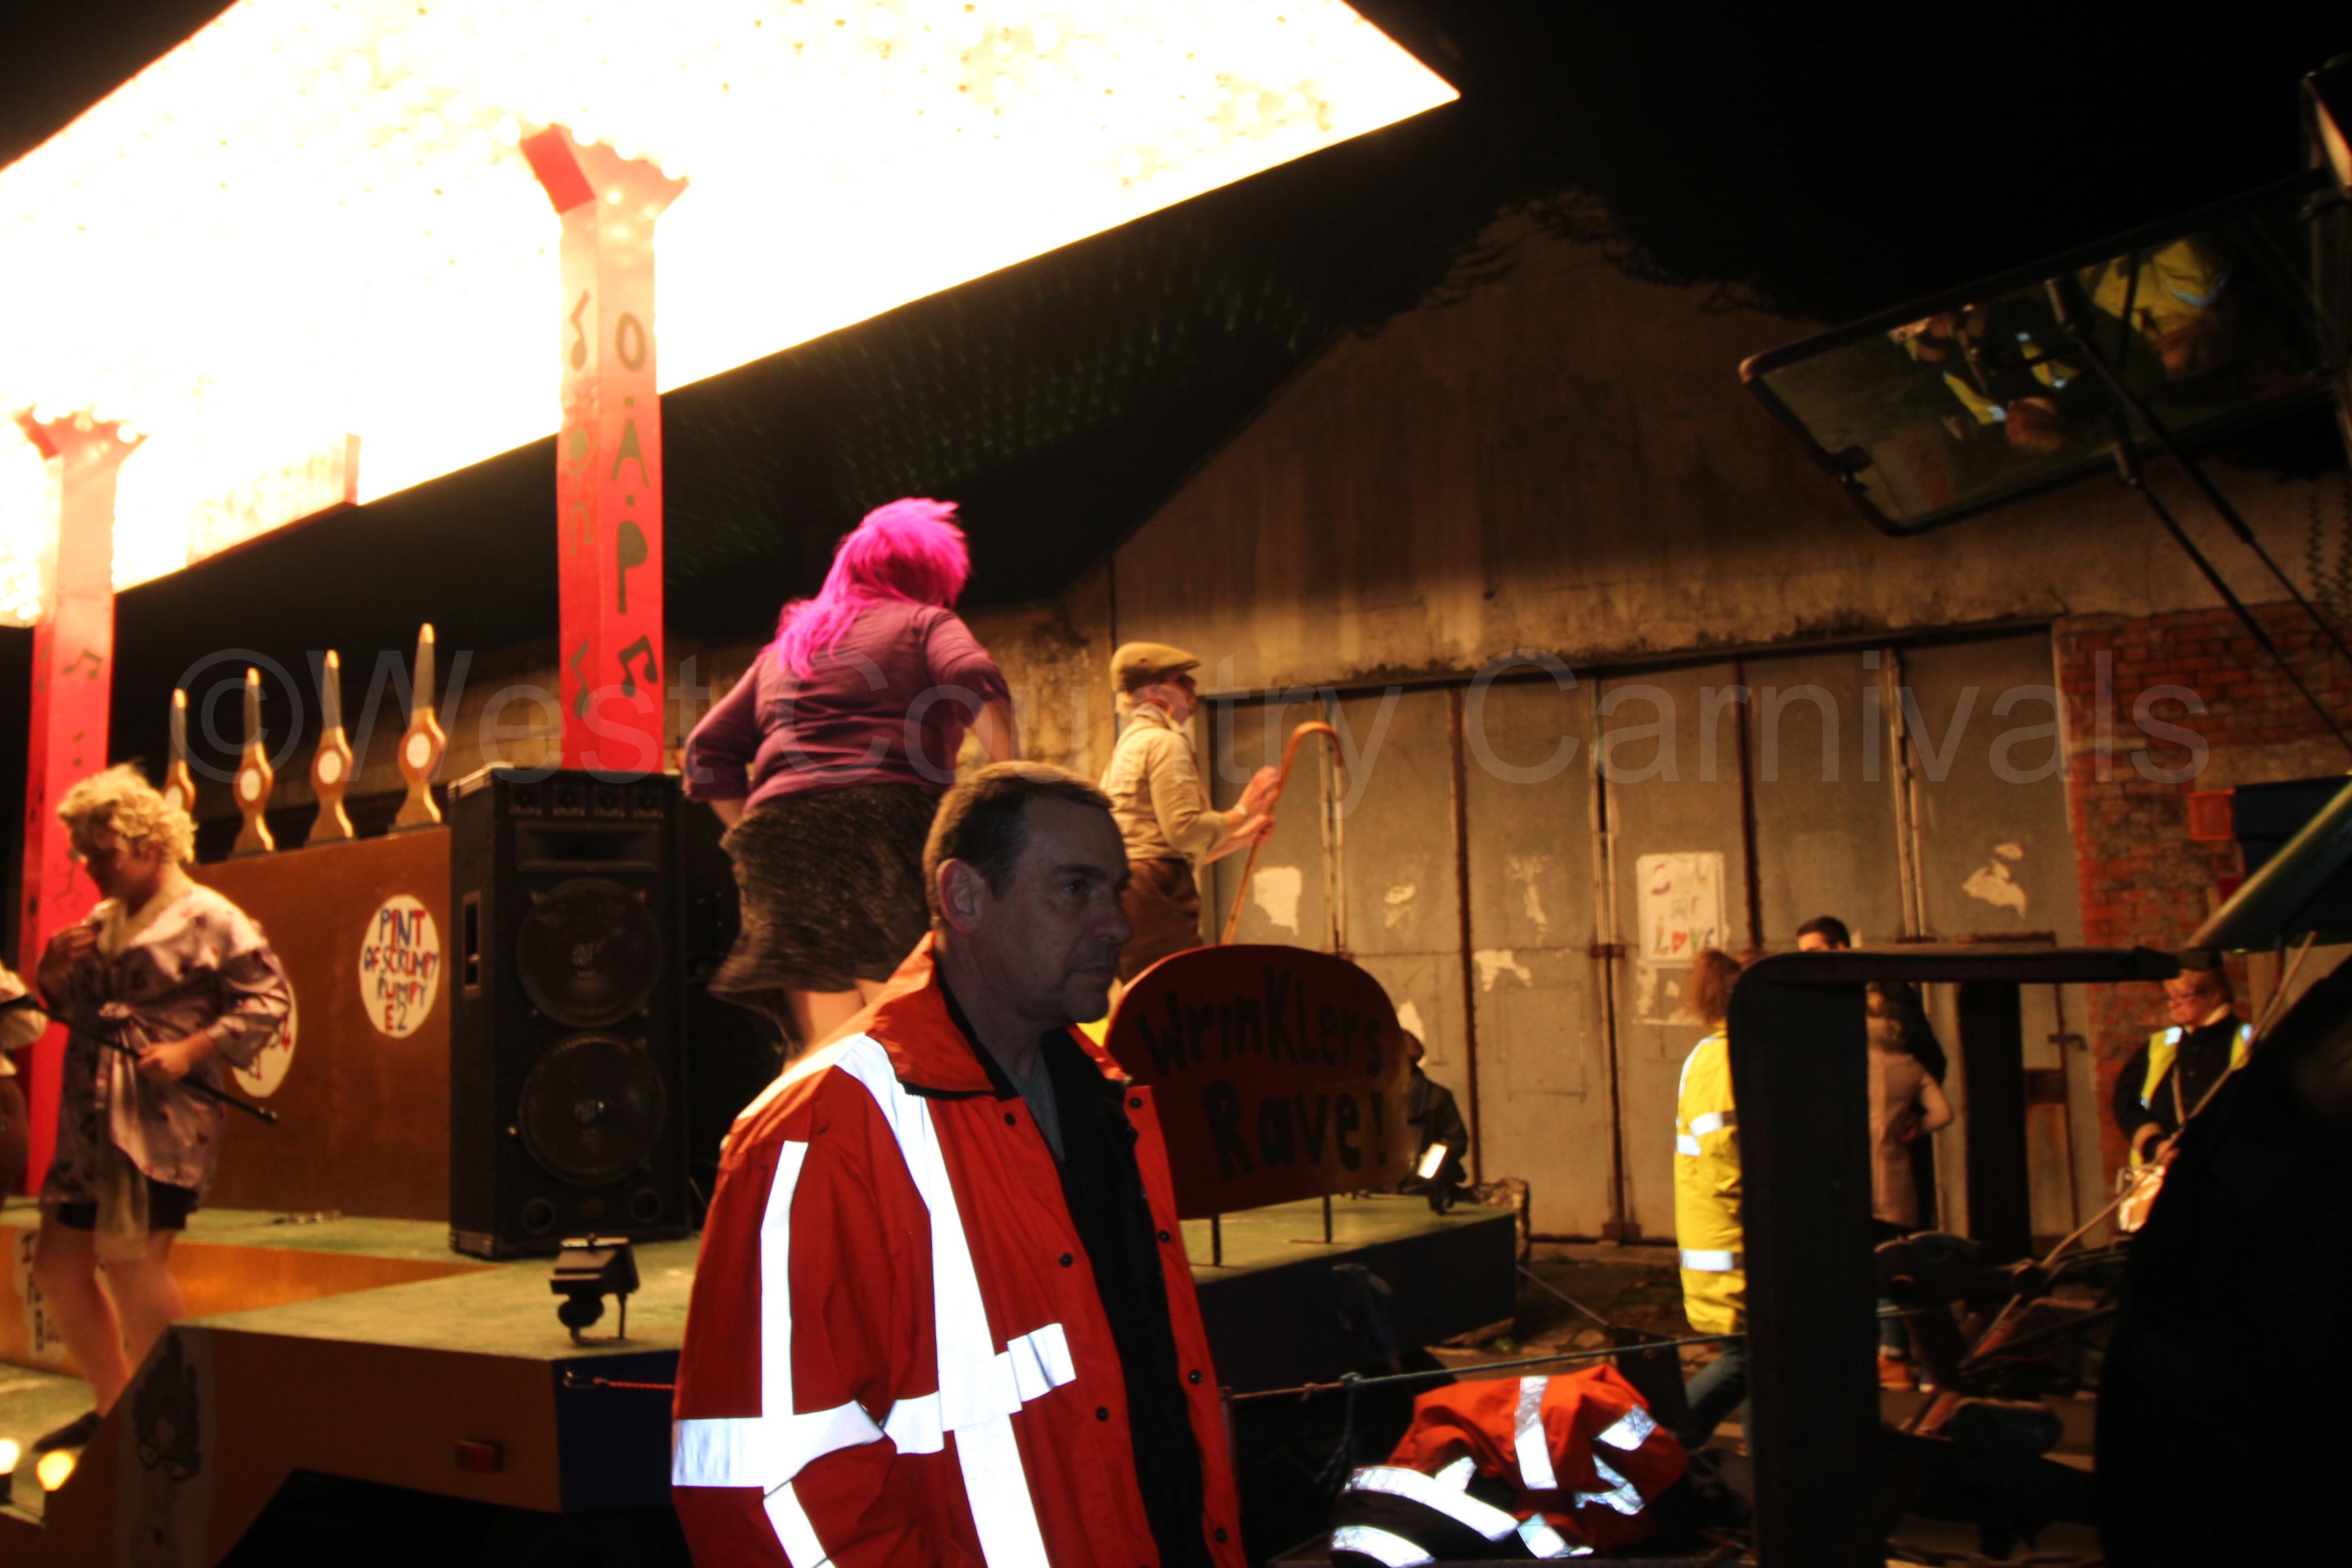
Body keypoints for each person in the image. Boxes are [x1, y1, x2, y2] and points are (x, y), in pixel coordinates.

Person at [671, 763, 1244, 1568]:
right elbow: (769, 1494)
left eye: (1114, 890)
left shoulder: (1108, 1104)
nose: (1117, 923)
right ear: (965, 897)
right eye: (1075, 890)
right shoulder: (821, 1131)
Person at [683, 497, 1019, 1052]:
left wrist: (749, 833)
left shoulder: (787, 649)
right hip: (887, 830)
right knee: (915, 1037)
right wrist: (1010, 779)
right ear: (931, 576)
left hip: (782, 844)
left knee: (826, 1052)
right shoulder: (923, 622)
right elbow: (972, 673)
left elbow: (705, 751)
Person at [26, 764, 290, 1454]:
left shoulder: (211, 916)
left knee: (134, 1262)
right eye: (86, 856)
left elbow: (269, 999)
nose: (92, 870)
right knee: (58, 1264)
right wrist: (52, 971)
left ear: (149, 845)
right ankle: (115, 1406)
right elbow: (69, 1003)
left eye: (104, 854)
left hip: (160, 1119)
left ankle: (169, 1418)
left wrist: (192, 1048)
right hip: (90, 1117)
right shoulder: (100, 921)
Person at [1098, 642, 1278, 981]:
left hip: (1130, 891)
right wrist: (1242, 811)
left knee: (1154, 996)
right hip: (1152, 894)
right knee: (1178, 995)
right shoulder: (1165, 742)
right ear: (1153, 691)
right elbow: (1184, 832)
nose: (1193, 686)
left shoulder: (1130, 744)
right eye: (1181, 680)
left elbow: (1165, 845)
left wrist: (1241, 837)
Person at [1672, 947, 1747, 1451]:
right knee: (1749, 1358)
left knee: (1759, 1362)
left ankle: (1767, 1470)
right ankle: (1653, 1449)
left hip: (1728, 1243)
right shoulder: (1722, 1061)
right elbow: (1728, 1163)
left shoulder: (1721, 1055)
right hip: (1735, 1247)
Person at [1867, 983, 1952, 1391]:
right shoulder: (1911, 1064)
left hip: (1861, 1179)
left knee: (1874, 1270)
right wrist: (1916, 1129)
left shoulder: (1854, 1063)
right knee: (1902, 1265)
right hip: (1899, 1178)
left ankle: (1892, 1355)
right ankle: (1928, 1365)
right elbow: (1944, 1113)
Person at [2112, 956, 2250, 1168]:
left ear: (2215, 995)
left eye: (2184, 996)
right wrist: (2155, 1145)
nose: (2173, 1004)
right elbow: (2125, 1102)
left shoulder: (2247, 1041)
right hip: (2164, 1172)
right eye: (2170, 996)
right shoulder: (2161, 1045)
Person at [1795, 914, 1946, 1081]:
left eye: (1813, 953)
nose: (1807, 963)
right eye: (1802, 956)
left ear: (1839, 948)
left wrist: (1909, 1092)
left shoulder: (1886, 989)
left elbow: (1926, 1052)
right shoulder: (1812, 1001)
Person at [1396, 1031, 1469, 1210]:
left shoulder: (1436, 1097)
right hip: (1380, 1194)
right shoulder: (1372, 1098)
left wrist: (1426, 1170)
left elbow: (1455, 1140)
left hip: (1423, 1193)